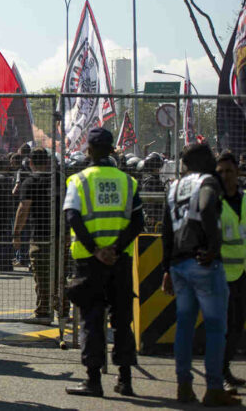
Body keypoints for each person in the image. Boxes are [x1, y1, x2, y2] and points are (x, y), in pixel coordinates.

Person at [63, 127, 144, 398]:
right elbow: (138, 221)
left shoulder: (79, 180)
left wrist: (96, 250)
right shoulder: (127, 182)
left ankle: (93, 380)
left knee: (92, 320)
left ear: (88, 150)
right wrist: (115, 249)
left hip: (89, 262)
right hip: (120, 262)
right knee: (122, 320)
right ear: (112, 150)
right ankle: (126, 379)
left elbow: (73, 217)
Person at [162, 143, 239, 406]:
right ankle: (214, 388)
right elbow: (206, 207)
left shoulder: (174, 187)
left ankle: (184, 386)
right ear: (205, 160)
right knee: (216, 327)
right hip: (203, 262)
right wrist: (213, 247)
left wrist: (166, 269)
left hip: (178, 264)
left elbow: (165, 230)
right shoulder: (207, 181)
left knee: (184, 326)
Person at [14, 147, 66, 325]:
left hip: (41, 235)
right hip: (62, 233)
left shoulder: (31, 181)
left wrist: (16, 233)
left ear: (30, 162)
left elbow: (23, 209)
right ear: (48, 161)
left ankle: (43, 312)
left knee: (42, 275)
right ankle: (63, 311)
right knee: (61, 274)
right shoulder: (61, 178)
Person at [216, 152, 246, 394]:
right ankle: (220, 374)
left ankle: (225, 371)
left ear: (238, 172)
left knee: (237, 326)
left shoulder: (245, 202)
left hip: (243, 273)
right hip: (221, 274)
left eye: (229, 171)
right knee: (223, 327)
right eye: (221, 171)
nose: (225, 175)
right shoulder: (214, 203)